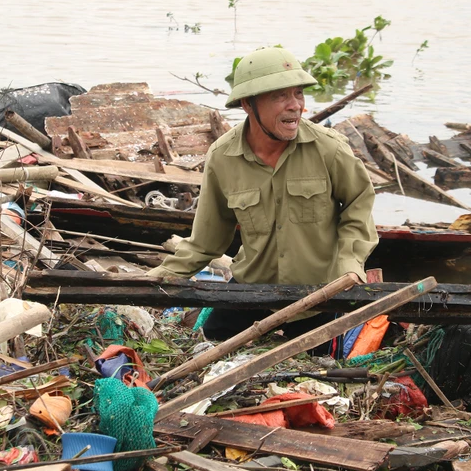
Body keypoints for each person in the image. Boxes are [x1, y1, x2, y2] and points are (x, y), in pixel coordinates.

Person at [148, 46, 378, 342]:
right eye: (280, 96)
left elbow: (360, 201)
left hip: (316, 299)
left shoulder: (328, 148)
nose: (295, 105)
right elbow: (206, 242)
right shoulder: (223, 157)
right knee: (207, 350)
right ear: (248, 104)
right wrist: (157, 280)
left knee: (315, 377)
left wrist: (349, 264)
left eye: (298, 94)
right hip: (249, 293)